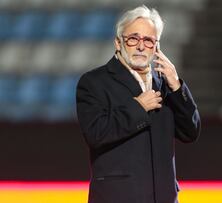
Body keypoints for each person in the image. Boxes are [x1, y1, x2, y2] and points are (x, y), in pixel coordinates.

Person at [76, 5, 201, 203]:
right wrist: (138, 108)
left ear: (157, 47)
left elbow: (190, 131)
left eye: (149, 40)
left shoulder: (166, 85)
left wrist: (177, 85)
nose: (141, 46)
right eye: (133, 38)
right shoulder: (94, 82)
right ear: (119, 43)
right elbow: (95, 133)